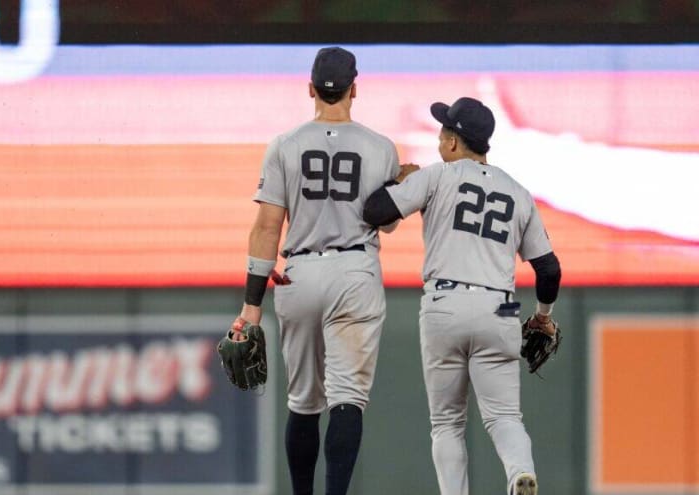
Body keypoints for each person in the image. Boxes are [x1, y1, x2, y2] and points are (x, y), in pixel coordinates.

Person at [232, 46, 415, 495]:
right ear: (355, 89)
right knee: (347, 400)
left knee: (303, 402)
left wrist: (251, 306)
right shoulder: (380, 146)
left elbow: (267, 227)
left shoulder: (286, 144)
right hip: (355, 271)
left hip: (300, 272)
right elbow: (386, 222)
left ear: (311, 89)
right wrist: (402, 185)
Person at [362, 96, 562, 495]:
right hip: (498, 309)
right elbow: (549, 269)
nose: (439, 139)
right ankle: (519, 473)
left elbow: (373, 211)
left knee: (447, 423)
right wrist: (542, 316)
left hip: (444, 306)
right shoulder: (518, 192)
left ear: (454, 142)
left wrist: (401, 181)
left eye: (443, 132)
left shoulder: (436, 176)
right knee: (505, 417)